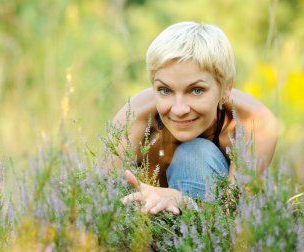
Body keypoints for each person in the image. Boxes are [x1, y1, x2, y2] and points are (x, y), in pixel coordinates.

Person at [110, 21, 278, 215]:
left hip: (208, 237)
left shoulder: (255, 123)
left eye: (196, 90)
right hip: (143, 231)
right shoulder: (134, 117)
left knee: (195, 153)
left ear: (226, 89)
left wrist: (183, 200)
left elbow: (232, 212)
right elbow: (102, 195)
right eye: (164, 90)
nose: (179, 109)